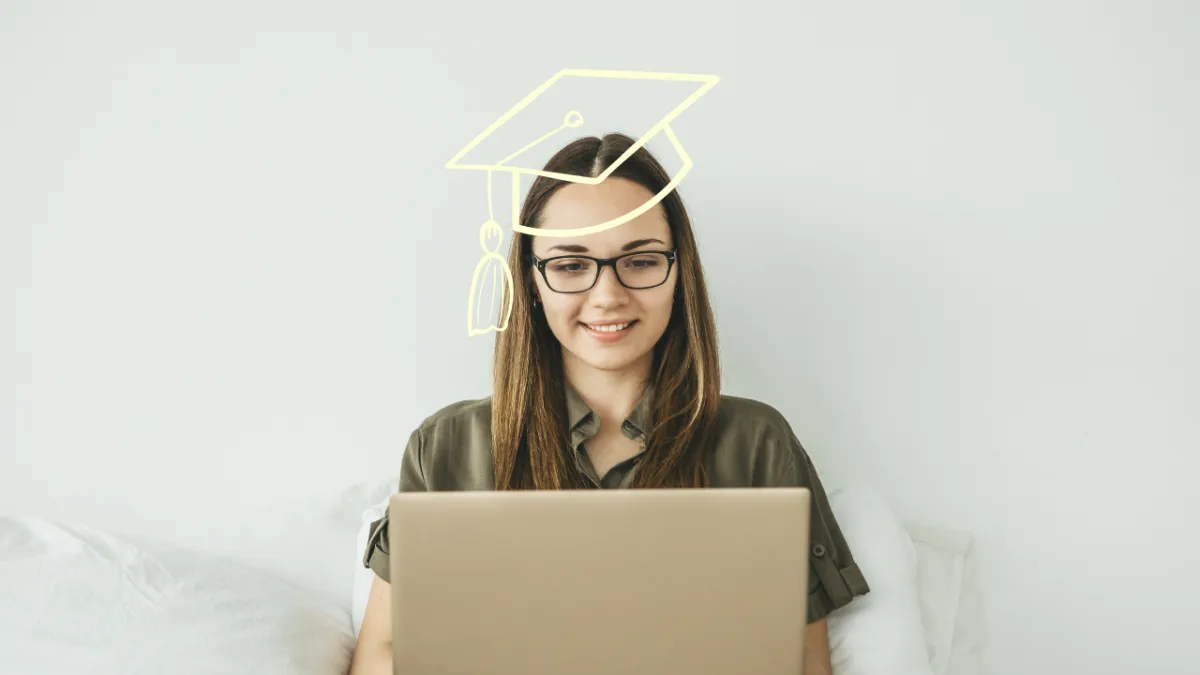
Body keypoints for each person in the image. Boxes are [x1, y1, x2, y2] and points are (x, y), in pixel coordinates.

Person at [347, 133, 870, 675]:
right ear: (532, 280)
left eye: (640, 261)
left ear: (678, 271)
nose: (608, 295)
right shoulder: (449, 446)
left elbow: (804, 666)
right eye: (572, 265)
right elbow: (379, 657)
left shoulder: (757, 442)